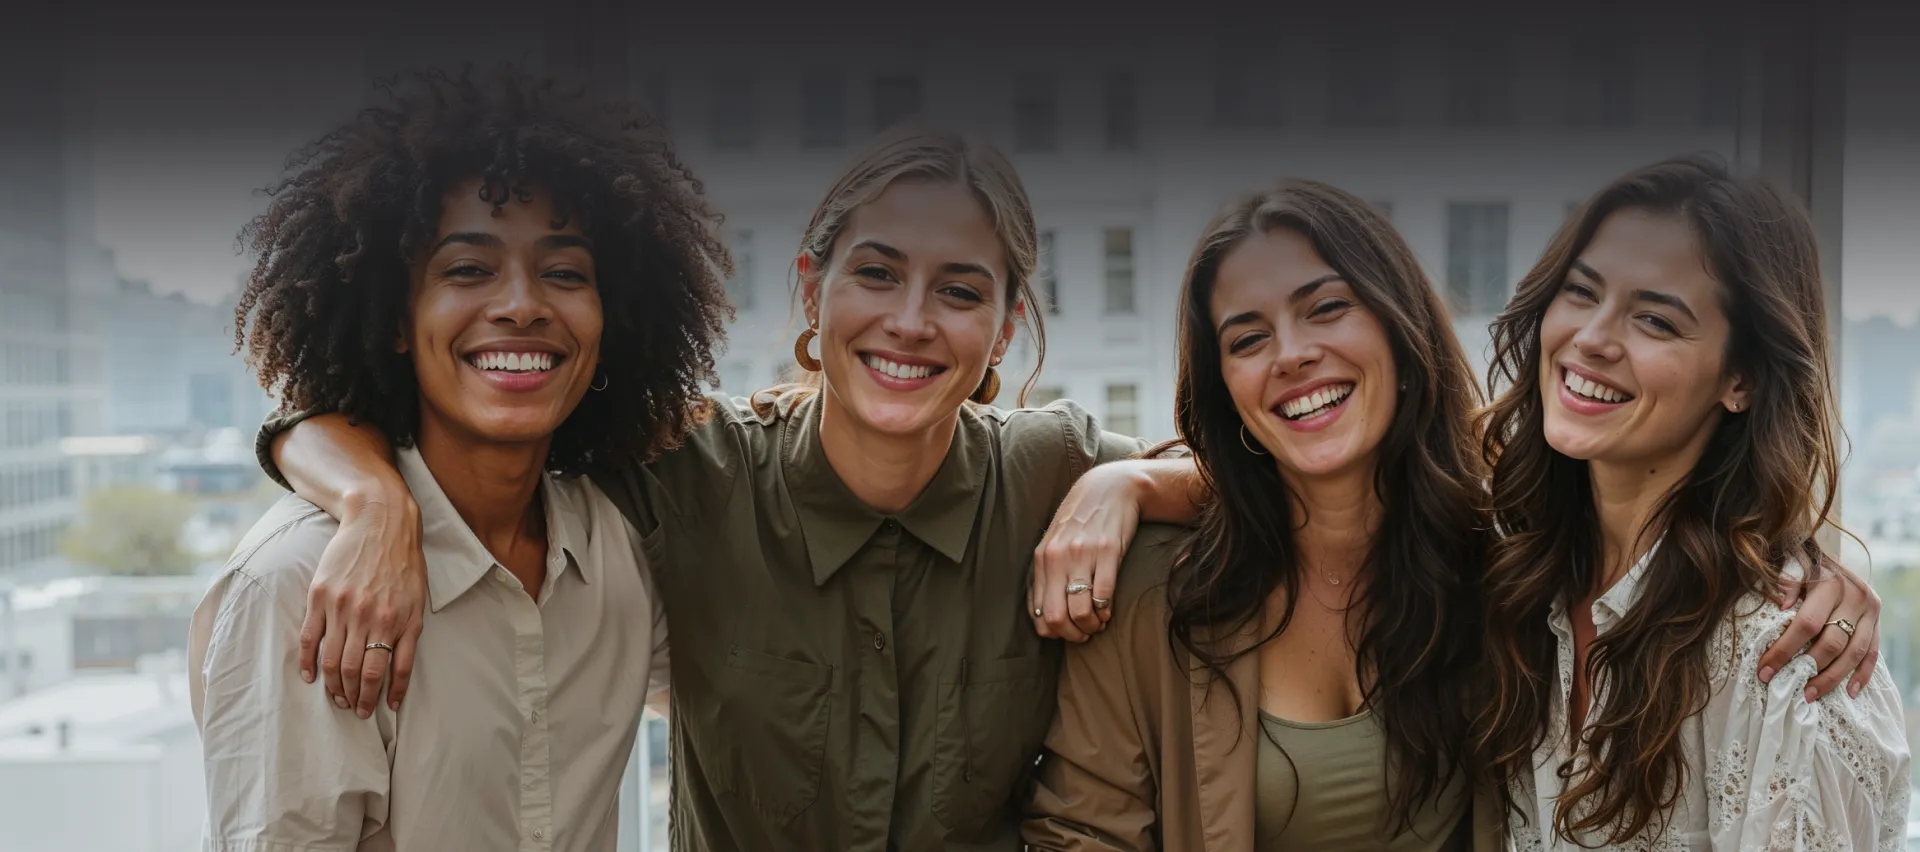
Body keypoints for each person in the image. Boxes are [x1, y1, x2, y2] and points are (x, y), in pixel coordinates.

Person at [253, 126, 1201, 851]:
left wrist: (1129, 485)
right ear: (810, 293)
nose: (910, 321)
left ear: (1004, 329)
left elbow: (1263, 477)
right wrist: (370, 500)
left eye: (960, 291)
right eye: (876, 274)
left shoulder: (1048, 466)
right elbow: (473, 398)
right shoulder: (689, 465)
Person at [191, 66, 731, 849]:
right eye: (468, 269)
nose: (521, 303)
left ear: (613, 320)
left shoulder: (621, 548)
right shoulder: (300, 585)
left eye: (565, 272)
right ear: (396, 316)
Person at [1024, 180, 1501, 851]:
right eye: (1248, 339)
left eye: (1326, 308)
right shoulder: (1156, 593)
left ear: (1400, 327)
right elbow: (1079, 834)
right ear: (1226, 390)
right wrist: (1120, 480)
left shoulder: (1502, 556)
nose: (1290, 355)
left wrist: (1132, 480)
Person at [1471, 156, 1911, 850]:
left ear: (1741, 378)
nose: (1591, 339)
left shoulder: (1790, 662)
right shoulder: (1521, 585)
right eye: (1581, 293)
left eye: (1654, 320)